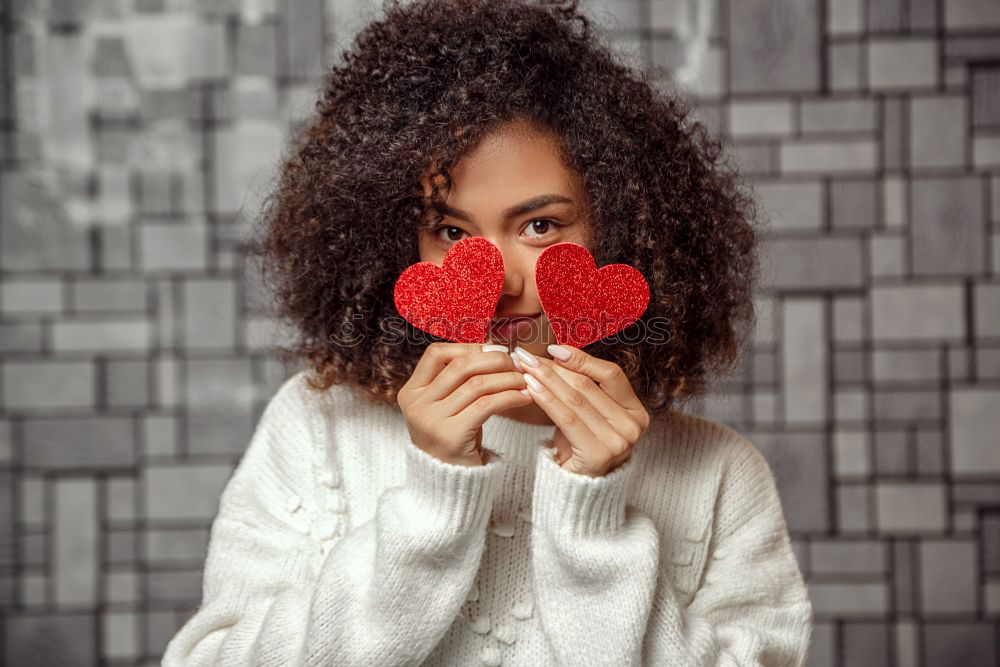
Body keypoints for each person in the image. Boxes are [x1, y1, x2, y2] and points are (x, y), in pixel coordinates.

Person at [161, 0, 813, 665]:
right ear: (396, 245)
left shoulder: (719, 476)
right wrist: (429, 505)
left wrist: (593, 529)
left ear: (623, 228)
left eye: (540, 225)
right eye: (451, 232)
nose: (496, 279)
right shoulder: (316, 429)